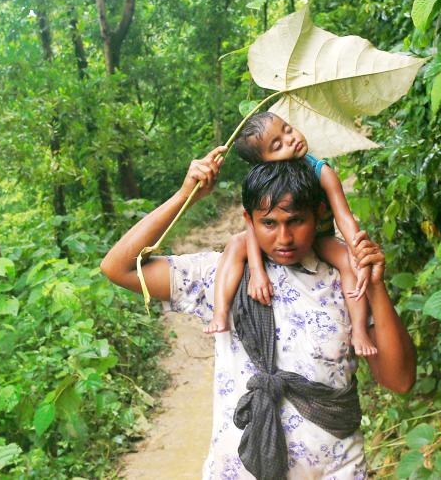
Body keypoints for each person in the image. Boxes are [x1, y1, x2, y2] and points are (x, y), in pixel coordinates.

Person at [100, 146, 415, 479]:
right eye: (269, 223)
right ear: (248, 221)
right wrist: (184, 196)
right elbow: (118, 267)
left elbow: (400, 380)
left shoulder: (346, 279)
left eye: (296, 221)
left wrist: (377, 286)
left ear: (319, 213)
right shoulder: (224, 276)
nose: (284, 237)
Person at [204, 112, 378, 358]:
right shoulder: (264, 182)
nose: (291, 139)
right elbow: (253, 228)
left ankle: (359, 330)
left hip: (317, 236)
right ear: (263, 163)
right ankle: (220, 313)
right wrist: (257, 272)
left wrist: (357, 247)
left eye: (287, 129)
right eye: (277, 145)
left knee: (348, 261)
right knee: (235, 243)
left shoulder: (320, 170)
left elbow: (344, 216)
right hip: (273, 242)